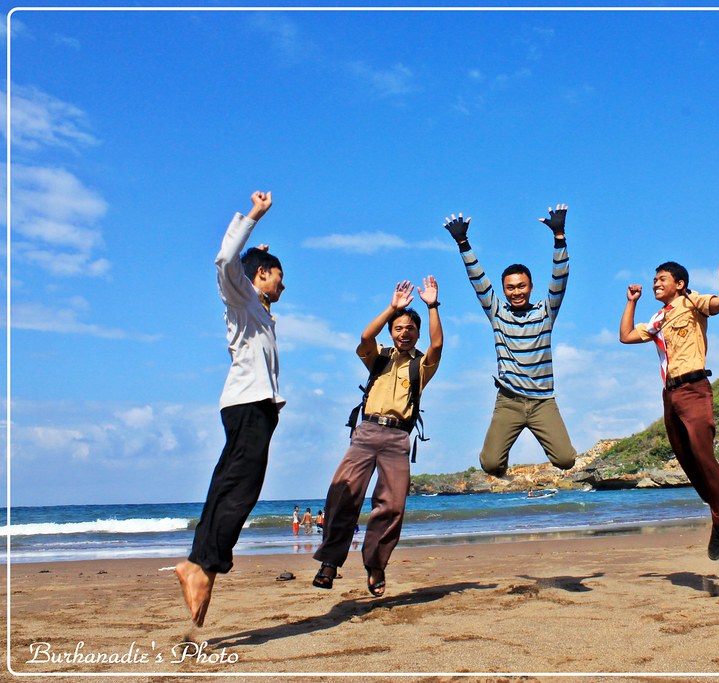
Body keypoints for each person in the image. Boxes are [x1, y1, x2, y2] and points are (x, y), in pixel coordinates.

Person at [175, 191, 285, 627]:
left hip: (255, 407)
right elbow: (224, 261)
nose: (282, 284)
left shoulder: (258, 311)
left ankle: (201, 565)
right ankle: (203, 567)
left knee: (228, 489)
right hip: (248, 405)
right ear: (260, 275)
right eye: (278, 275)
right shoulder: (241, 299)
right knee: (240, 490)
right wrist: (254, 216)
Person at [312, 278, 443, 596]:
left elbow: (437, 346)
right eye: (399, 328)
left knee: (392, 505)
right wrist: (392, 308)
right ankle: (330, 562)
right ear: (392, 331)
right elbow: (364, 336)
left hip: (398, 438)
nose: (404, 332)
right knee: (343, 495)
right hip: (367, 431)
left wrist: (432, 306)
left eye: (410, 328)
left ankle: (375, 566)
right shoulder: (378, 356)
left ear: (417, 332)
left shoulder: (421, 365)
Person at [618, 255, 719, 560]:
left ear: (680, 283)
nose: (656, 283)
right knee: (687, 461)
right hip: (670, 395)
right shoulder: (658, 319)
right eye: (654, 280)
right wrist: (632, 301)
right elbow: (625, 336)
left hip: (695, 388)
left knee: (702, 452)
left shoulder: (692, 301)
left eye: (662, 279)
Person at [442, 207, 576, 477]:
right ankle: (500, 464)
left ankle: (558, 456)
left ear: (531, 287)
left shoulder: (545, 312)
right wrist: (462, 243)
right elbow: (477, 279)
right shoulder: (497, 313)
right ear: (504, 290)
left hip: (542, 402)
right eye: (511, 288)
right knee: (490, 465)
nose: (516, 292)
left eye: (521, 286)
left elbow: (560, 278)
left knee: (565, 461)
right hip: (509, 401)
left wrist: (559, 236)